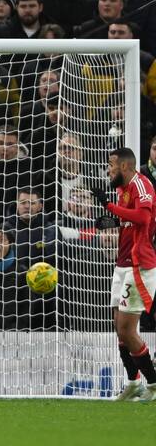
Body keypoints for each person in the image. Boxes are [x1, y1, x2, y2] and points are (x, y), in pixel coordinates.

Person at [92, 148, 156, 401]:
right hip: (122, 264)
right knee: (120, 329)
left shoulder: (141, 185)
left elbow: (143, 218)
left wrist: (108, 206)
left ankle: (153, 384)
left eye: (111, 165)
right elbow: (130, 221)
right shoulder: (122, 189)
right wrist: (114, 221)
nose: (108, 170)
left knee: (128, 330)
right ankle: (133, 383)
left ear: (125, 166)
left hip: (139, 266)